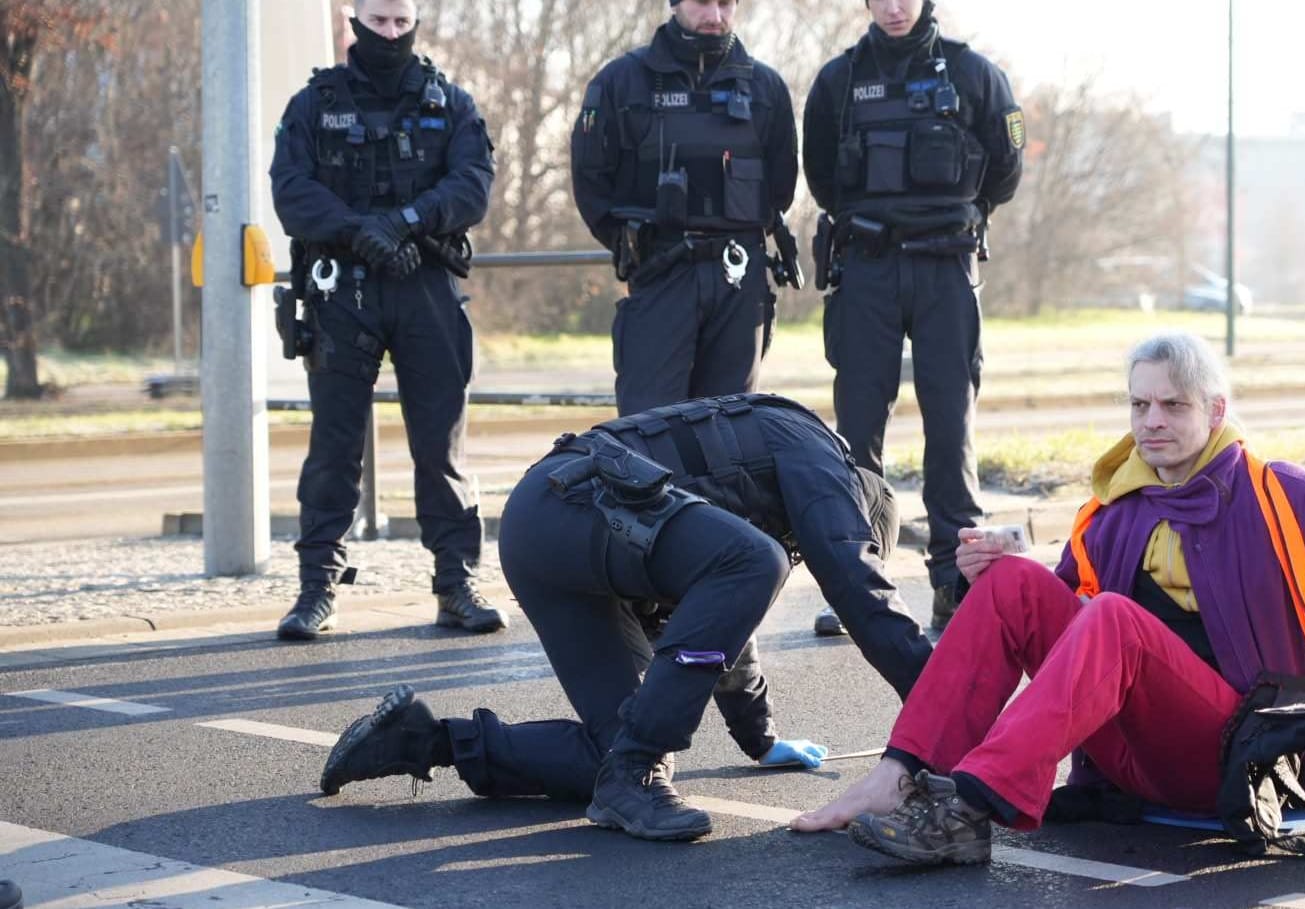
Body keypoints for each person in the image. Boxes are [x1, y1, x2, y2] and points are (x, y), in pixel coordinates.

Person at [791, 331, 1305, 864]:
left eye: (1173, 406)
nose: (1151, 422)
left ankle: (969, 807)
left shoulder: (1285, 492)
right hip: (1132, 756)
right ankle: (899, 775)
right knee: (1017, 584)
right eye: (1139, 406)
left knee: (1117, 619)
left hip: (1243, 751)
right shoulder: (1113, 511)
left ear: (1215, 412)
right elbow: (1054, 643)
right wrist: (992, 572)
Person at [319, 393, 935, 843]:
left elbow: (720, 624)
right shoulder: (821, 458)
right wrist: (950, 705)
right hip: (573, 511)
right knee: (756, 563)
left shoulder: (758, 503)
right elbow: (857, 584)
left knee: (618, 750)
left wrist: (760, 738)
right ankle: (637, 771)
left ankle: (422, 739)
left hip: (546, 529)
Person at [268, 0, 505, 640]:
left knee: (440, 447)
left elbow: (474, 184)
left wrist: (405, 222)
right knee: (335, 447)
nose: (392, 34)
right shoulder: (313, 104)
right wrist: (358, 231)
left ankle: (455, 584)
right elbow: (291, 191)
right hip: (342, 288)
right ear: (355, 21)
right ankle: (317, 589)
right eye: (380, 23)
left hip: (426, 283)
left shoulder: (450, 102)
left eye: (402, 23)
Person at [802, 0, 1023, 634]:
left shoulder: (973, 74)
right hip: (867, 268)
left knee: (950, 426)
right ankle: (856, 582)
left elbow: (1004, 173)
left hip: (946, 269)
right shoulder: (838, 81)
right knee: (857, 429)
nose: (894, 7)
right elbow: (821, 173)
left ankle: (955, 582)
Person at [570, 0, 800, 417]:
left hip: (738, 277)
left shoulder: (765, 88)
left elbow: (781, 187)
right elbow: (591, 181)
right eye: (701, 3)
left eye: (725, 4)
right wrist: (633, 245)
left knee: (733, 426)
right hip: (660, 270)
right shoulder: (621, 82)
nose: (714, 15)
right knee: (649, 424)